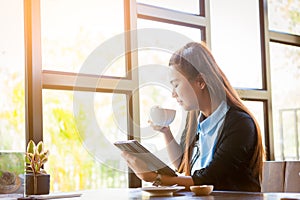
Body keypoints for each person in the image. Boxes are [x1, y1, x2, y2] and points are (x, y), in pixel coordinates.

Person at [122, 42, 265, 192]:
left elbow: (208, 179)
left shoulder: (240, 124)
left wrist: (155, 178)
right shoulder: (196, 121)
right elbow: (182, 164)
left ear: (200, 82)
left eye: (176, 85)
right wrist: (166, 131)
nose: (173, 94)